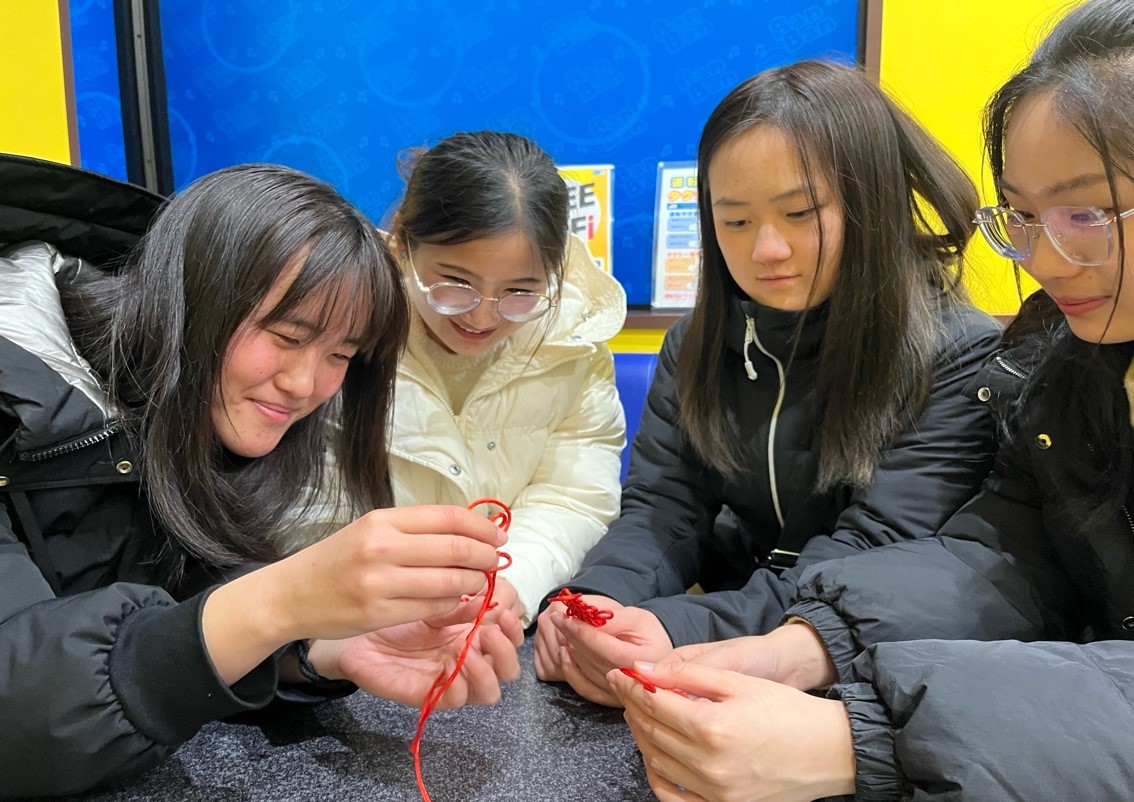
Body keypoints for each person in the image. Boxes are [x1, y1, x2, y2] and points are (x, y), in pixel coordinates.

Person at [606, 1, 1134, 798]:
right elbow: (1001, 559)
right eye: (1023, 216)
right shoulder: (1067, 373)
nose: (1044, 261)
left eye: (1086, 213)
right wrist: (808, 640)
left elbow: (886, 538)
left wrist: (863, 732)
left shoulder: (962, 352)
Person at [0, 159, 522, 797]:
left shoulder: (185, 409)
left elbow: (179, 600)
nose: (305, 384)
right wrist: (280, 601)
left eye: (341, 354)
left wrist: (320, 648)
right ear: (192, 300)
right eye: (287, 336)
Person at [535, 59, 1003, 706]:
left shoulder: (957, 355)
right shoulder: (695, 344)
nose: (767, 250)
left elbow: (875, 553)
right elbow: (663, 507)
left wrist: (680, 627)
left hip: (864, 674)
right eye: (735, 221)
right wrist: (598, 601)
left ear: (871, 202)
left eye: (800, 212)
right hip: (729, 643)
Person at [285, 131, 626, 628]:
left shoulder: (573, 343)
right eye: (455, 284)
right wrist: (390, 605)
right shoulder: (347, 331)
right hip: (355, 622)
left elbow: (573, 497)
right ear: (404, 242)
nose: (482, 317)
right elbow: (306, 506)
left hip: (502, 616)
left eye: (519, 293)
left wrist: (511, 583)